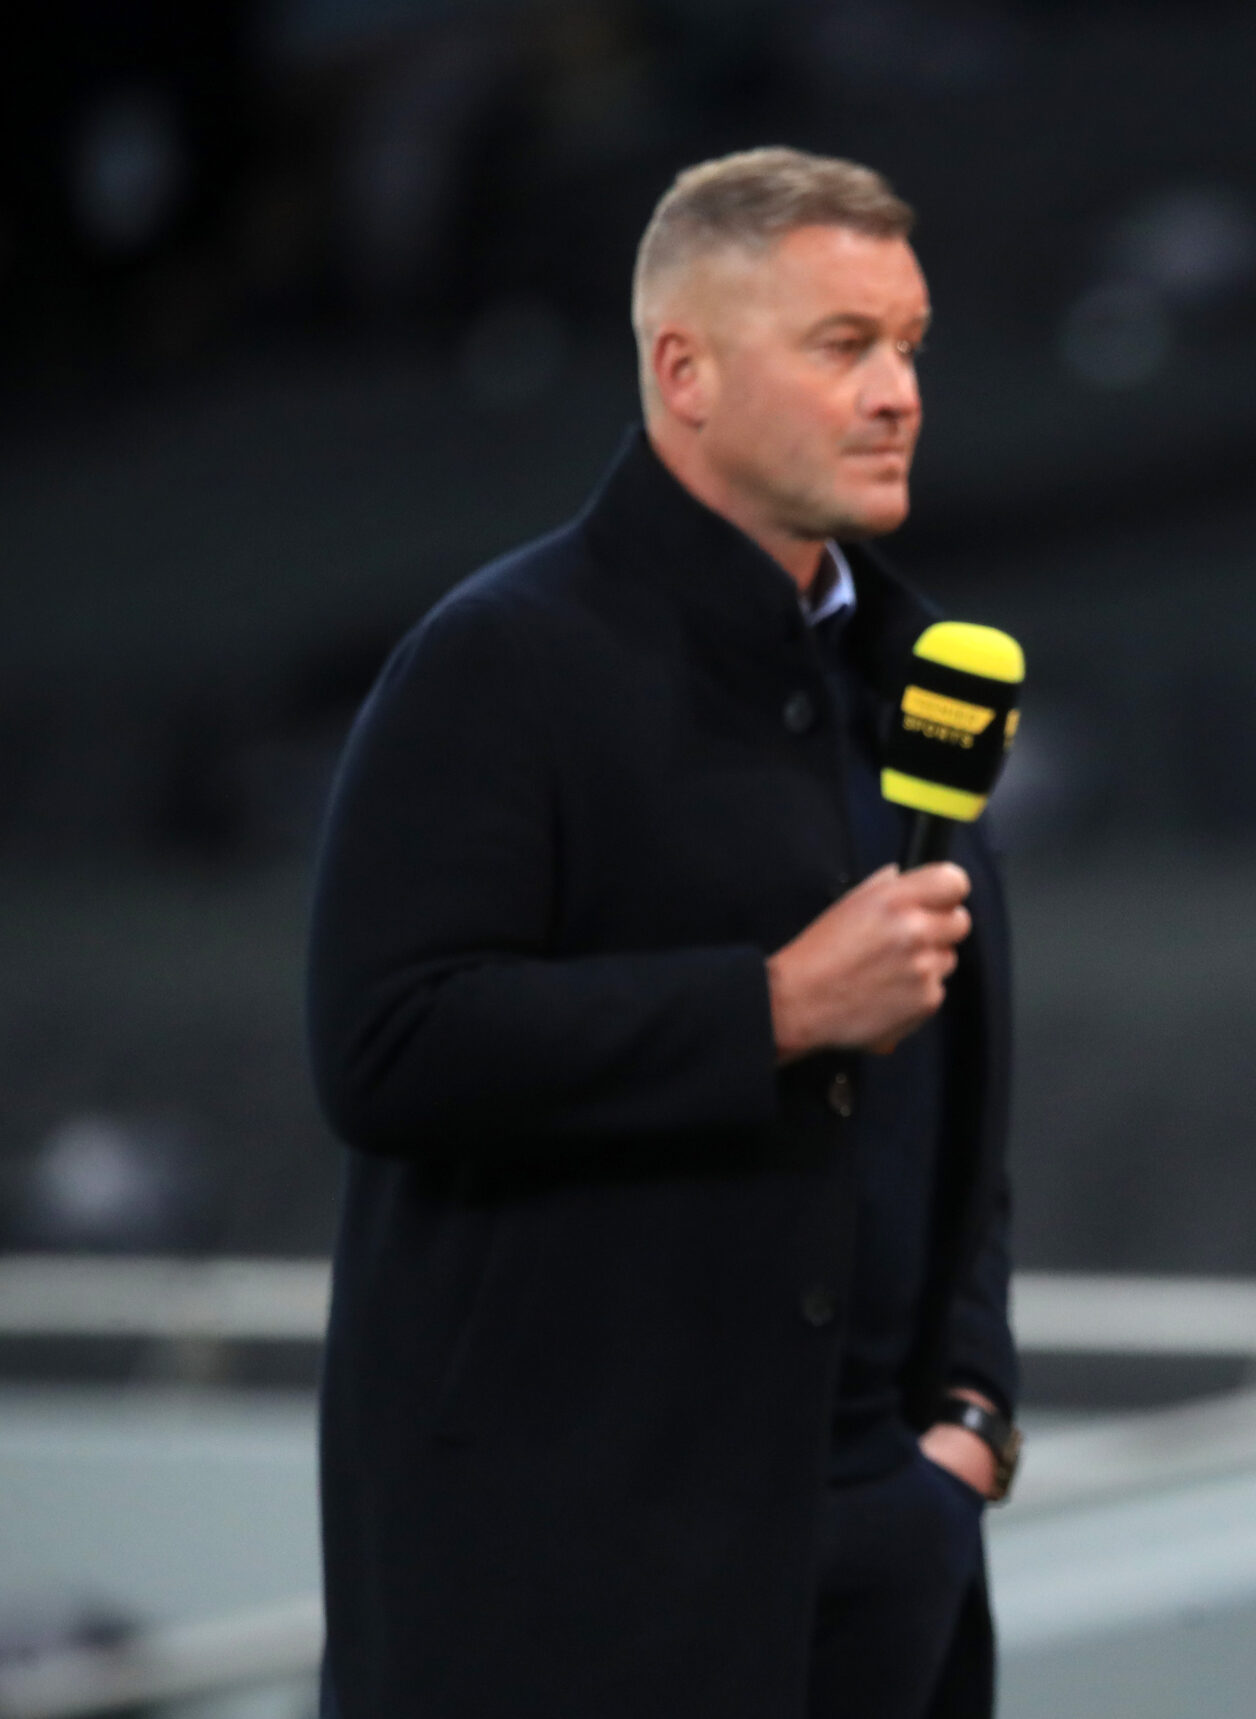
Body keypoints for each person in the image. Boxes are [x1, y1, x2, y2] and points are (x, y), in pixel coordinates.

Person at [307, 148, 1022, 1719]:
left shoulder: (921, 672)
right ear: (683, 371)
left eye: (909, 344)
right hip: (571, 1588)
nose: (899, 390)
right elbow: (385, 1047)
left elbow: (952, 1100)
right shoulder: (498, 663)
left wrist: (968, 1419)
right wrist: (762, 1010)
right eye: (845, 345)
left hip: (874, 1558)